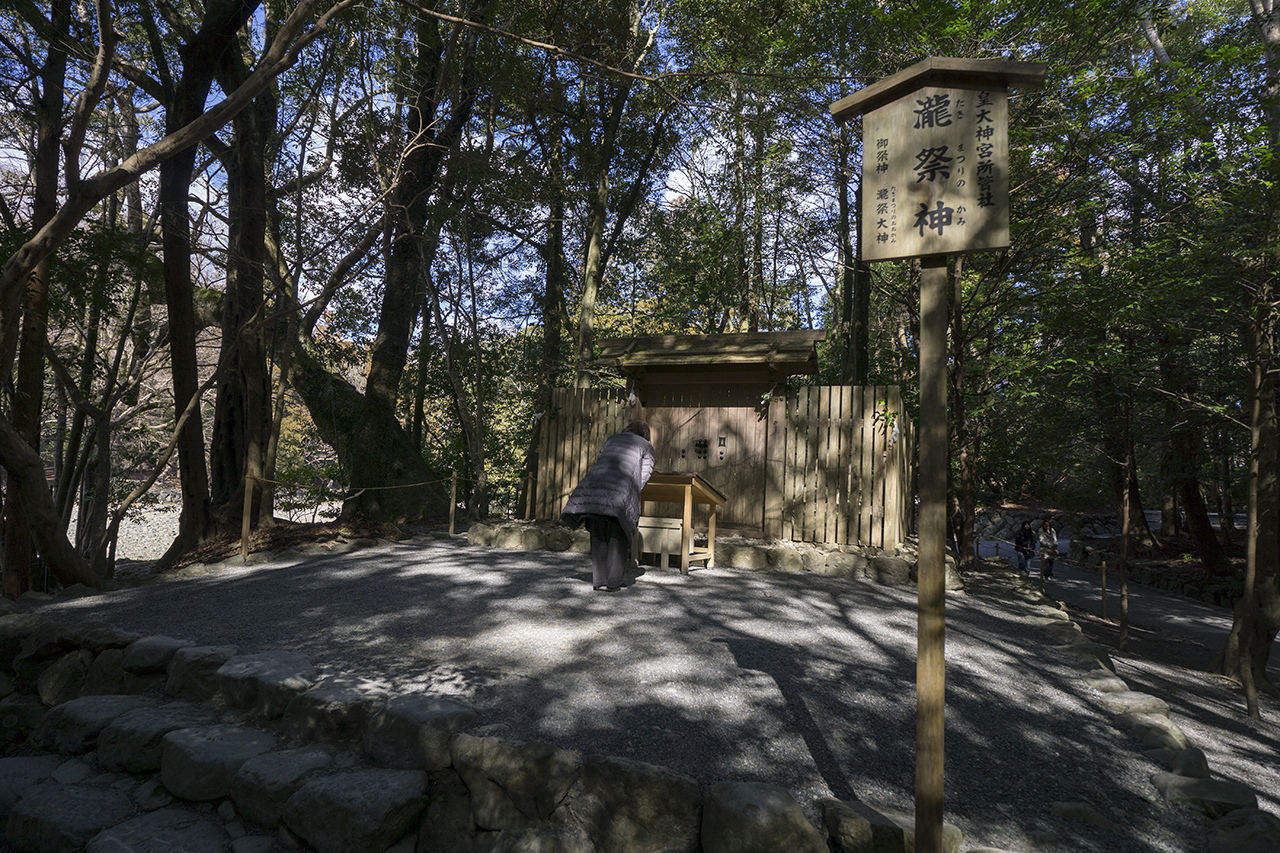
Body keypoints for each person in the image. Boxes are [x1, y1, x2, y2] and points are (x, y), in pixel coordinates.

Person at [561, 420, 656, 591]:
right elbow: (643, 476)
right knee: (618, 535)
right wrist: (631, 495)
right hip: (620, 493)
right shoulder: (646, 446)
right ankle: (613, 583)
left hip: (595, 489)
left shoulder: (612, 440)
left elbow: (600, 460)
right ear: (646, 434)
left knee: (598, 533)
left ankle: (599, 581)